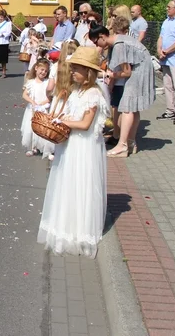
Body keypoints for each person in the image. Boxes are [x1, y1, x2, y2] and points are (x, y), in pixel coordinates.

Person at [37, 46, 110, 258]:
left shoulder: (94, 94)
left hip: (83, 147)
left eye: (77, 69)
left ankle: (80, 231)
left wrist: (63, 121)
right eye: (73, 68)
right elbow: (70, 113)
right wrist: (57, 117)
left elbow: (86, 123)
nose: (72, 72)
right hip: (70, 145)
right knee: (67, 183)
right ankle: (65, 227)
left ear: (88, 72)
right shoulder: (77, 91)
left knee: (81, 184)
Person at [92, 17, 156, 157]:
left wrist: (110, 75)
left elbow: (126, 72)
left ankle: (122, 145)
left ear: (102, 36)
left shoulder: (119, 44)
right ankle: (131, 142)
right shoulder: (119, 39)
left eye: (96, 41)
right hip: (142, 68)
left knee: (127, 106)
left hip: (139, 71)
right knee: (134, 107)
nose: (97, 45)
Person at [21, 58, 53, 158]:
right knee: (31, 128)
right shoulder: (31, 82)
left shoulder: (47, 83)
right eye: (42, 70)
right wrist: (32, 102)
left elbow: (49, 97)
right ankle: (32, 147)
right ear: (36, 68)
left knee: (44, 128)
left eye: (46, 71)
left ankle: (46, 149)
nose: (43, 72)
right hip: (32, 108)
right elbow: (25, 95)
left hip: (43, 108)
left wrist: (42, 104)